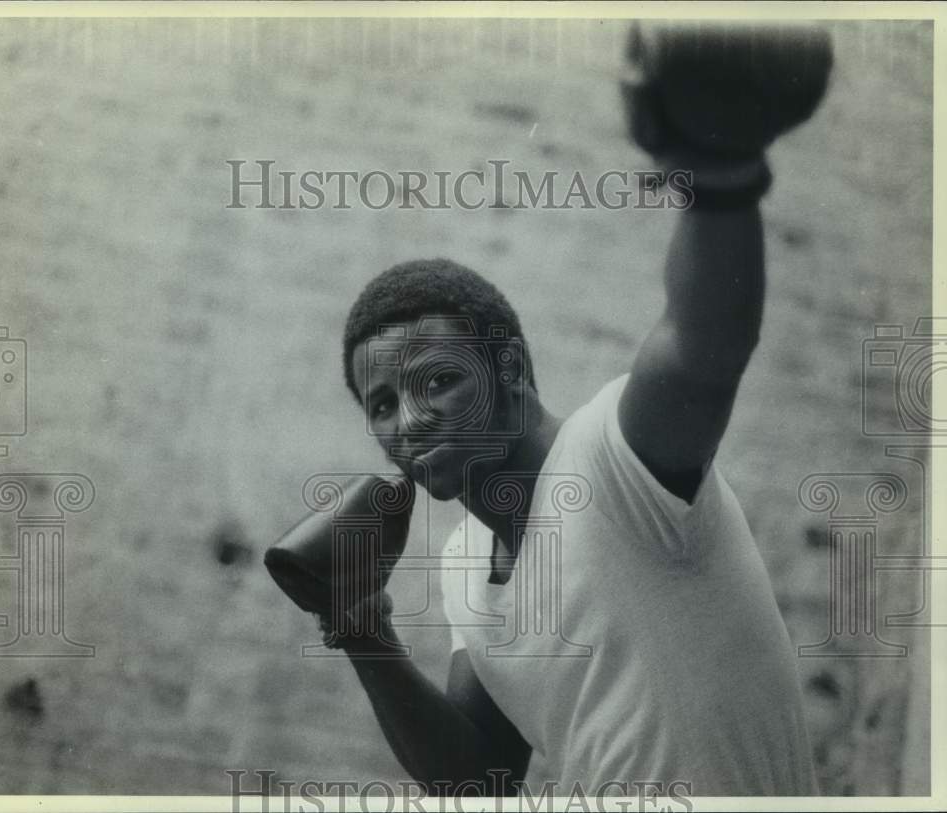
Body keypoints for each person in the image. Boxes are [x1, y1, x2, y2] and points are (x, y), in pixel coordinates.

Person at [308, 23, 831, 799]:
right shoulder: (464, 571)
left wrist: (718, 172)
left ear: (511, 366)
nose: (408, 421)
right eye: (382, 404)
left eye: (434, 383)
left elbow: (705, 342)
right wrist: (358, 627)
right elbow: (479, 775)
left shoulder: (614, 454)